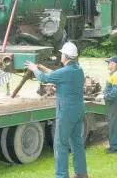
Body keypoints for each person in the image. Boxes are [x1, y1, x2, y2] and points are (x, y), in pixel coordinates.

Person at [25, 42, 88, 178]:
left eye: (61, 54)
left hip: (66, 113)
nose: (60, 56)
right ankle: (82, 173)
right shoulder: (78, 69)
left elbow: (45, 78)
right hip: (79, 110)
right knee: (77, 142)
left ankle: (61, 175)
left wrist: (34, 68)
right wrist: (43, 68)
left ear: (65, 56)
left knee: (60, 145)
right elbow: (57, 76)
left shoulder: (65, 72)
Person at [103, 56, 117, 154]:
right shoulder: (113, 75)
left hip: (115, 102)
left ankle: (116, 148)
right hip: (113, 102)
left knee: (114, 125)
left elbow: (115, 92)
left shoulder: (116, 75)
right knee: (112, 125)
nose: (108, 64)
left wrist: (104, 97)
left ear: (114, 64)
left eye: (109, 62)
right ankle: (113, 146)